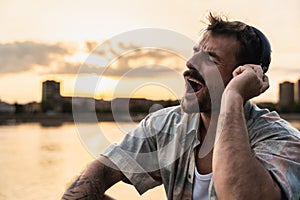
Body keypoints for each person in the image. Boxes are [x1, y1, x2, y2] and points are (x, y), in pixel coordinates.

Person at [62, 13, 300, 200]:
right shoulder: (166, 125)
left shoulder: (281, 140)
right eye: (195, 53)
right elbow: (99, 172)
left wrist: (233, 96)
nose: (190, 63)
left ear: (244, 75)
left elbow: (240, 196)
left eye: (209, 59)